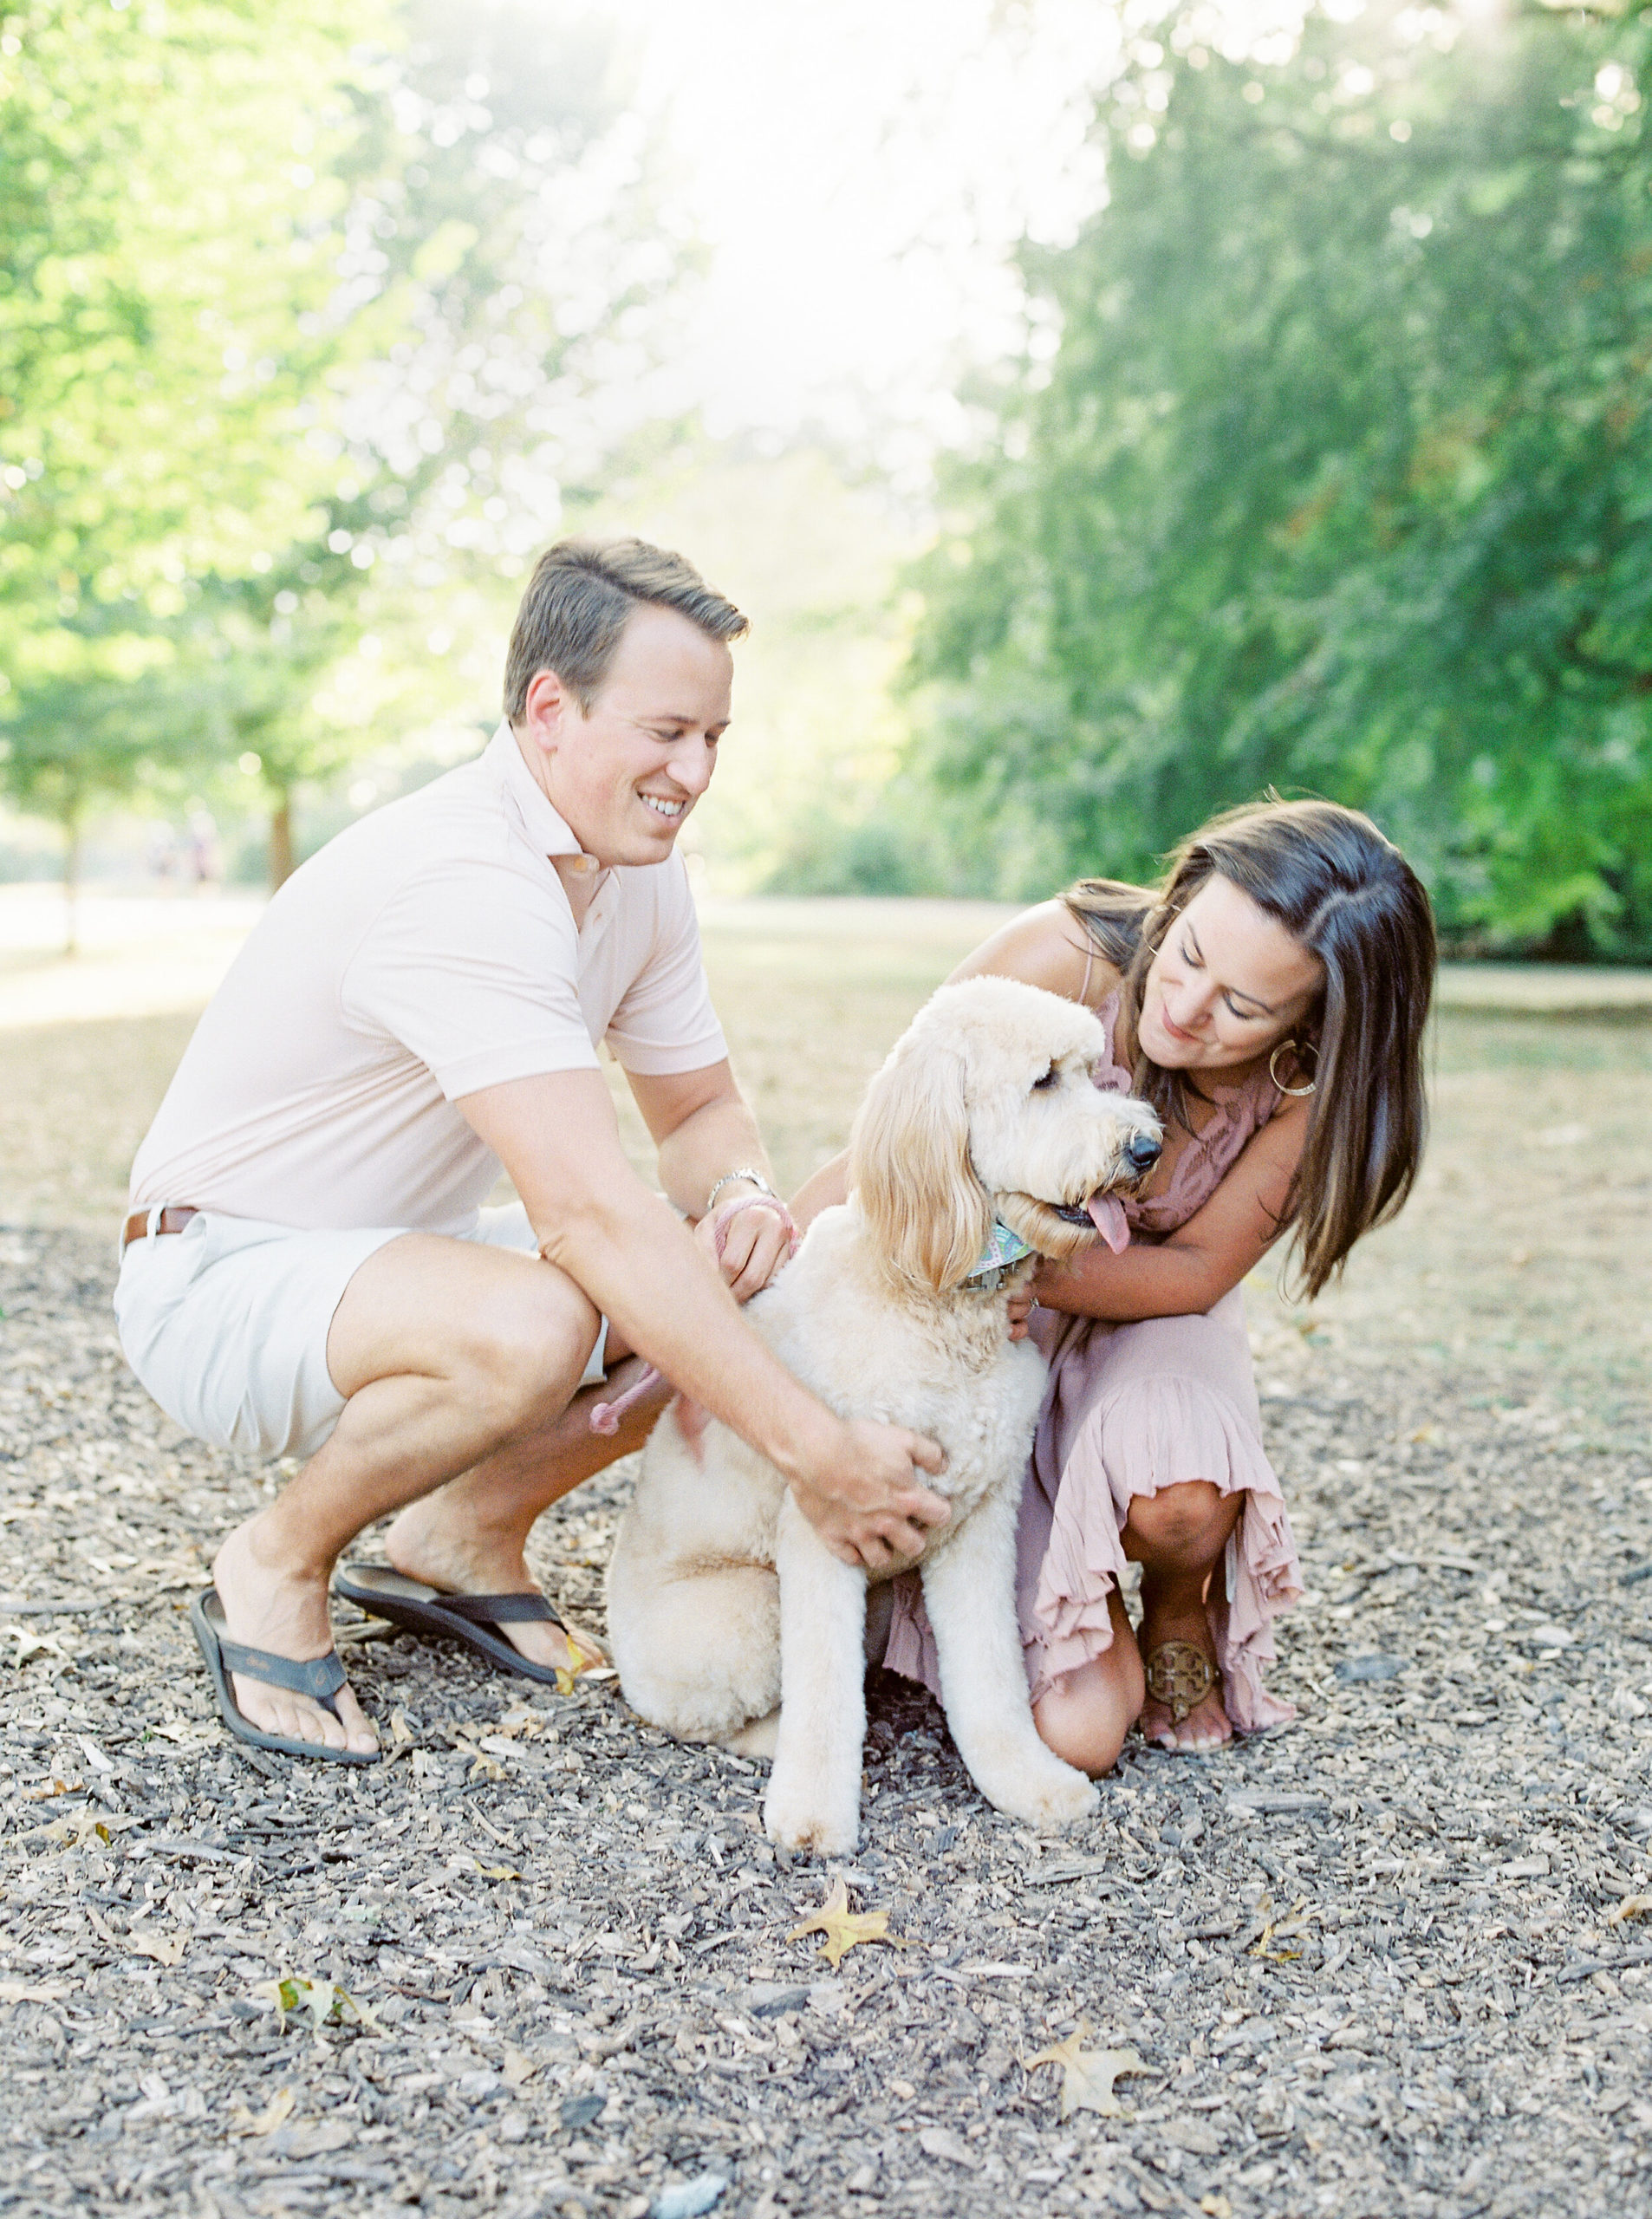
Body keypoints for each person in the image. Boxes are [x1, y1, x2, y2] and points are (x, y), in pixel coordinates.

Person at [116, 537, 948, 1765]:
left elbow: (700, 1114)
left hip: (394, 1259)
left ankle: (462, 1537)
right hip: (219, 1277)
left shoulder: (632, 871)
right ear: (549, 710)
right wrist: (819, 1454)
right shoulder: (467, 878)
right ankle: (274, 1561)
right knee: (545, 1319)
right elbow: (587, 1220)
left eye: (714, 737)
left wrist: (738, 1195)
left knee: (715, 1265)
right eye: (668, 731)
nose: (696, 770)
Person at [794, 798, 1434, 1764]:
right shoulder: (1067, 956)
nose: (1184, 1007)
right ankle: (1034, 1589)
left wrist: (1036, 1275)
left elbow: (1193, 1269)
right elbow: (891, 1147)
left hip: (1139, 1311)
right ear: (1179, 897)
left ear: (1311, 1023)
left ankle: (1180, 1604)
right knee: (1083, 1735)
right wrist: (731, 1323)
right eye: (1186, 956)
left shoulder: (1309, 1087)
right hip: (982, 1317)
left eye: (1245, 1007)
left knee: (1179, 1495)